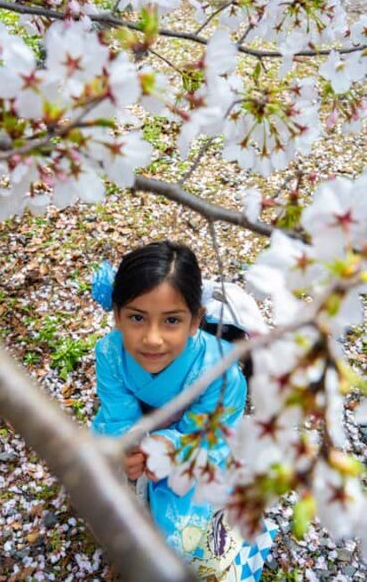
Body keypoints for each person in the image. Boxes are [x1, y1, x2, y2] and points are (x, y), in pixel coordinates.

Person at [90, 241, 275, 582]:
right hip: (143, 437)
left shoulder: (221, 371)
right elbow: (117, 413)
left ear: (195, 322)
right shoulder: (110, 353)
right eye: (136, 318)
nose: (153, 339)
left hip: (194, 447)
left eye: (171, 320)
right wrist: (126, 447)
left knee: (190, 535)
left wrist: (168, 445)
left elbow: (213, 435)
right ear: (116, 315)